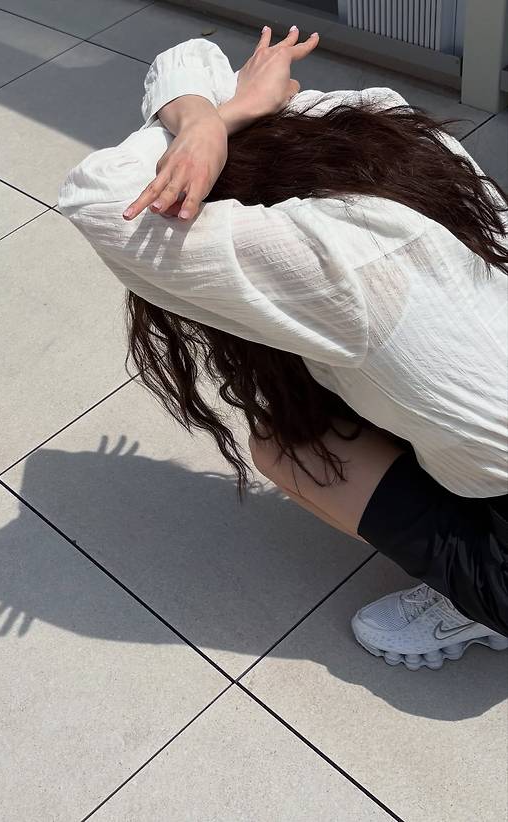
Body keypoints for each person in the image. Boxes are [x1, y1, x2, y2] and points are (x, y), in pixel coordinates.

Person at [59, 27, 508, 671]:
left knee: (283, 447)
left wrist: (219, 120)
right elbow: (194, 59)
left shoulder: (335, 272)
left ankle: (477, 607)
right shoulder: (402, 137)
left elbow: (97, 200)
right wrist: (217, 118)